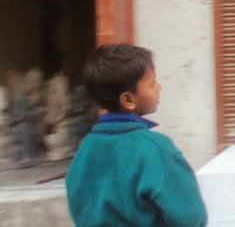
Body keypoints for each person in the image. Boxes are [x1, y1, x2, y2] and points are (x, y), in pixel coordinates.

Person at [65, 43, 208, 226]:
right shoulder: (155, 148)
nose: (159, 87)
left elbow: (78, 202)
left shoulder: (86, 147)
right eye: (152, 83)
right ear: (128, 100)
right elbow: (192, 217)